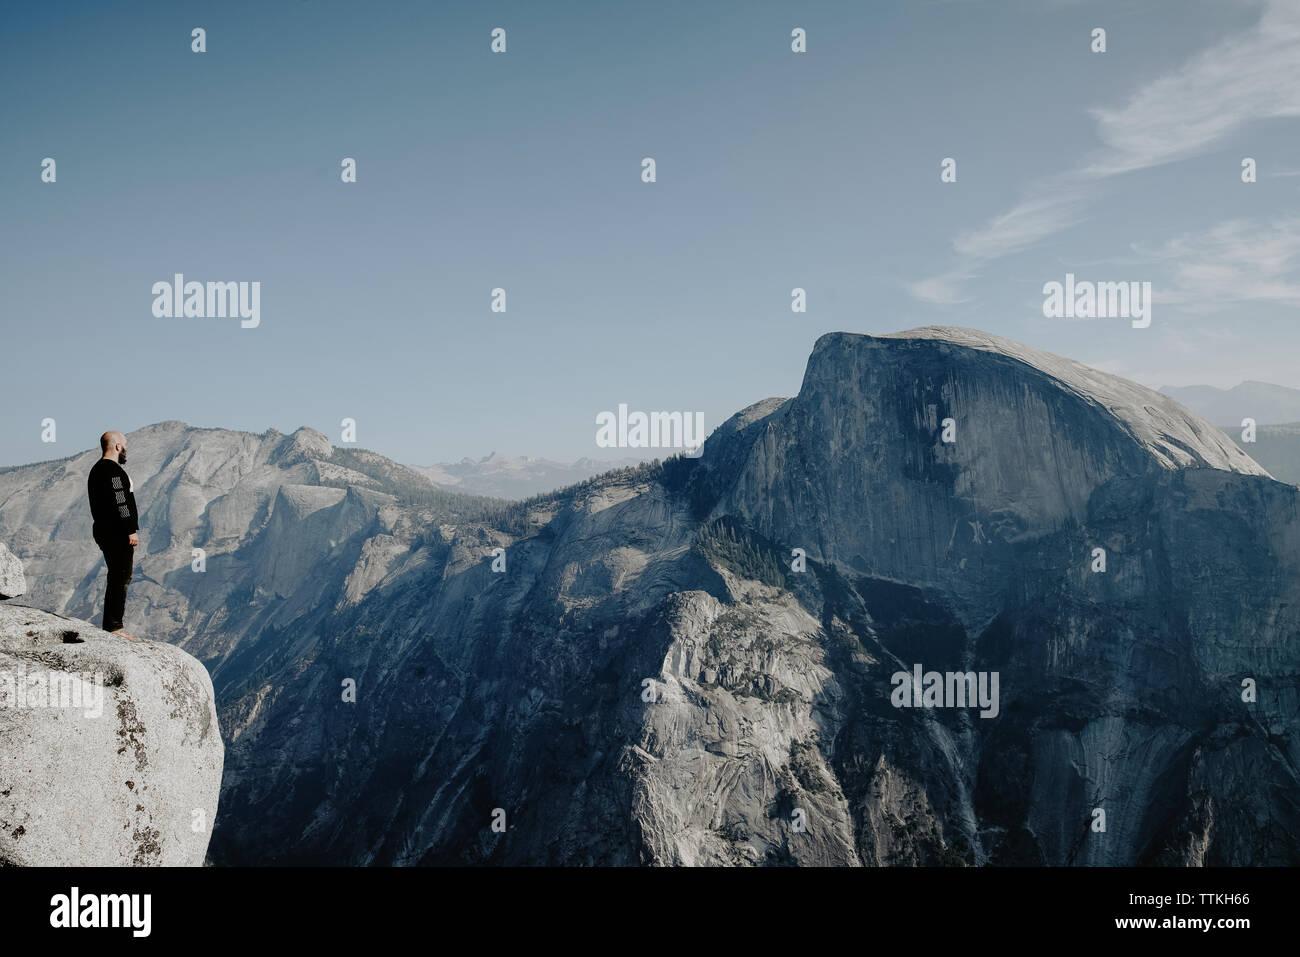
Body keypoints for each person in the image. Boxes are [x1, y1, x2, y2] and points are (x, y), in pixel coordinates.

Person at [87, 430, 139, 639]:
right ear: (117, 446)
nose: (126, 449)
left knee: (117, 575)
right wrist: (130, 529)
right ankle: (114, 626)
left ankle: (112, 623)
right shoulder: (113, 471)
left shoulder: (96, 470)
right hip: (117, 532)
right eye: (124, 445)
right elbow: (121, 501)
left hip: (103, 530)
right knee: (121, 576)